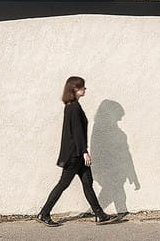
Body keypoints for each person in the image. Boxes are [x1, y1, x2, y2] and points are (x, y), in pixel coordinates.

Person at [36, 76, 115, 226]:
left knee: (87, 183)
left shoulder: (72, 106)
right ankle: (44, 213)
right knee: (63, 184)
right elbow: (77, 132)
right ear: (74, 89)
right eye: (82, 87)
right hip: (75, 155)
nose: (85, 89)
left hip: (77, 155)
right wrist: (84, 151)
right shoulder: (73, 107)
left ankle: (99, 214)